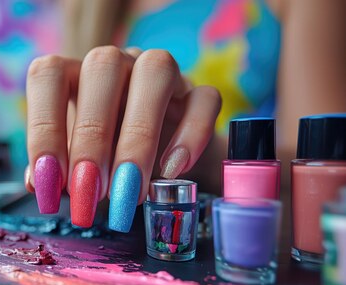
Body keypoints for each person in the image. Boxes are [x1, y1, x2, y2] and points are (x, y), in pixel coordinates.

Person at [24, 0, 346, 231]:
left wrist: (213, 158)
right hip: (130, 246)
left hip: (242, 241)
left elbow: (325, 165)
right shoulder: (87, 7)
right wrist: (75, 141)